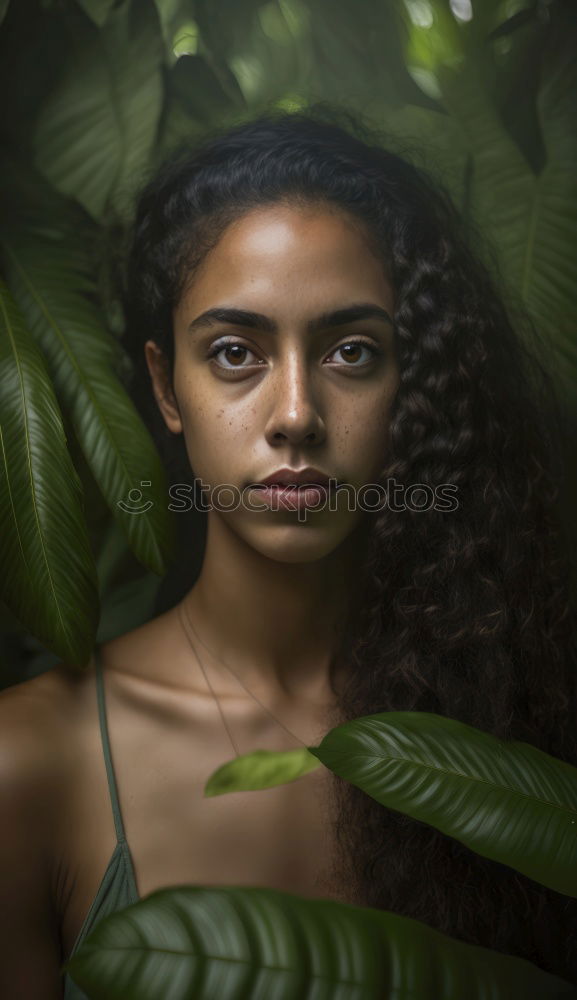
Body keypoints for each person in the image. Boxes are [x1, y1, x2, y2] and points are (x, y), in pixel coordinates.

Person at [1, 106, 576, 998]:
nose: (297, 414)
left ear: (411, 382)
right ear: (165, 386)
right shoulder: (31, 762)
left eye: (352, 351)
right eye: (235, 353)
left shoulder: (526, 717)